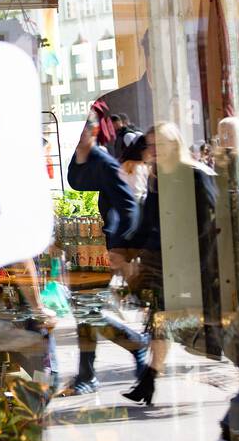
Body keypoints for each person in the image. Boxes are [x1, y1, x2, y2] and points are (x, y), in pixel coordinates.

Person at [128, 123, 218, 409]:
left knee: (215, 329)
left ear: (174, 145)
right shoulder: (157, 178)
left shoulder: (195, 174)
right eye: (150, 146)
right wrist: (130, 250)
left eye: (159, 146)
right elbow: (148, 222)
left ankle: (150, 379)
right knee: (159, 321)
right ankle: (149, 380)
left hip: (198, 266)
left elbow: (209, 225)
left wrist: (195, 266)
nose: (153, 152)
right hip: (167, 264)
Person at [58, 107, 146, 397]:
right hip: (79, 245)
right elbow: (72, 201)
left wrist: (120, 249)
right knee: (84, 313)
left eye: (82, 130)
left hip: (101, 247)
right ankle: (88, 373)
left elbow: (129, 206)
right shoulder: (74, 163)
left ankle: (131, 345)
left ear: (93, 132)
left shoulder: (104, 162)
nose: (77, 136)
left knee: (88, 311)